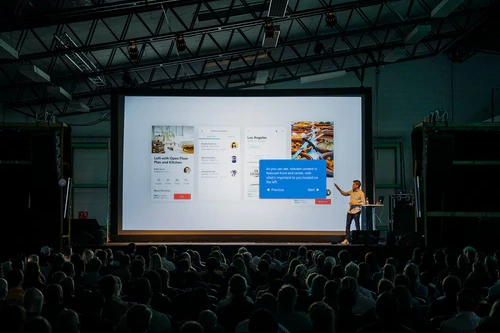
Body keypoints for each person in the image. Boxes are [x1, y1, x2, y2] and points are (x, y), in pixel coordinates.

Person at [334, 180, 365, 244]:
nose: (352, 185)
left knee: (357, 225)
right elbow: (345, 194)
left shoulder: (361, 193)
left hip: (356, 211)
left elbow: (364, 203)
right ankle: (347, 239)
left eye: (353, 184)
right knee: (347, 225)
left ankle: (357, 239)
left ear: (357, 185)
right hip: (350, 211)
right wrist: (338, 189)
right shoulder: (351, 191)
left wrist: (355, 203)